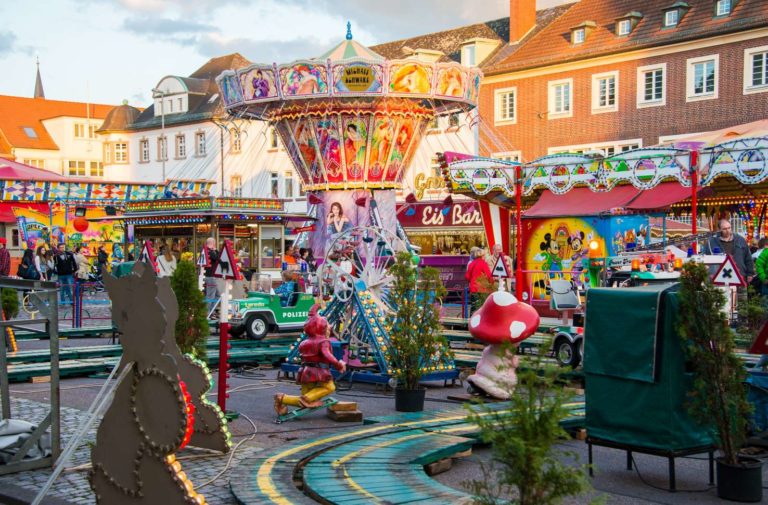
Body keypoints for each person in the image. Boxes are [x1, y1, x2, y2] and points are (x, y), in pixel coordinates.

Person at [274, 305, 345, 414]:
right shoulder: (323, 341)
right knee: (329, 387)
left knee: (306, 399)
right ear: (322, 328)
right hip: (318, 372)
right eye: (327, 326)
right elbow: (327, 355)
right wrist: (338, 364)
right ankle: (306, 399)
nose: (329, 327)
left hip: (305, 372)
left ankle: (282, 398)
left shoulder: (304, 342)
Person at [203, 237, 220, 311]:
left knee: (217, 295)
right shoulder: (209, 251)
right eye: (214, 243)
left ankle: (211, 311)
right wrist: (215, 250)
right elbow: (218, 258)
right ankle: (207, 313)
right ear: (213, 243)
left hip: (208, 276)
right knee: (210, 296)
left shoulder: (205, 250)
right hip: (210, 277)